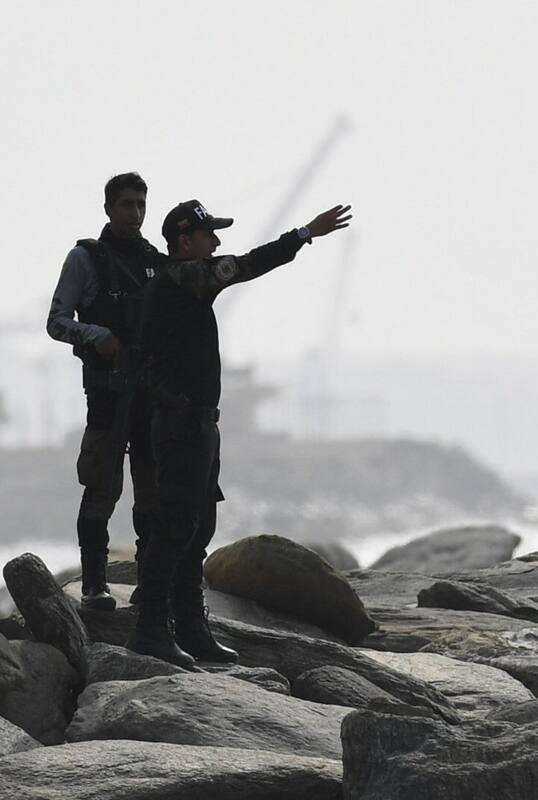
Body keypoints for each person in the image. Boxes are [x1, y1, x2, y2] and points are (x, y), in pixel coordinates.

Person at [129, 199, 352, 667]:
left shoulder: (184, 282)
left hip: (199, 423)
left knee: (197, 529)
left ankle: (191, 629)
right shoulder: (181, 278)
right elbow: (248, 265)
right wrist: (302, 234)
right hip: (181, 425)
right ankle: (150, 630)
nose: (216, 242)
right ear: (184, 241)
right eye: (208, 234)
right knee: (175, 529)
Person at [46, 172, 165, 610]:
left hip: (150, 397)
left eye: (141, 204)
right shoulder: (86, 259)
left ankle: (151, 584)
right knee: (100, 490)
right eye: (127, 204)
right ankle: (94, 583)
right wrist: (98, 336)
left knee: (152, 494)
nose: (135, 213)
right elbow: (57, 322)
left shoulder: (155, 261)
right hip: (108, 395)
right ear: (109, 208)